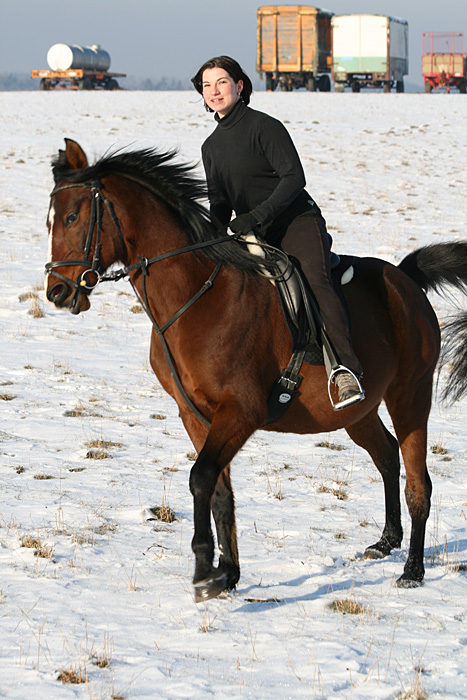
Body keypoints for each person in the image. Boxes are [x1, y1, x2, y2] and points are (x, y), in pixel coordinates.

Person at [191, 56, 364, 411]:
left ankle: (344, 370)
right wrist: (208, 236)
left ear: (239, 86)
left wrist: (256, 216)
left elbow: (294, 178)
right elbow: (220, 203)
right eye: (207, 86)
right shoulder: (210, 147)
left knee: (314, 279)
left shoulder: (264, 127)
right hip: (253, 232)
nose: (214, 91)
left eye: (221, 82)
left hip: (296, 221)